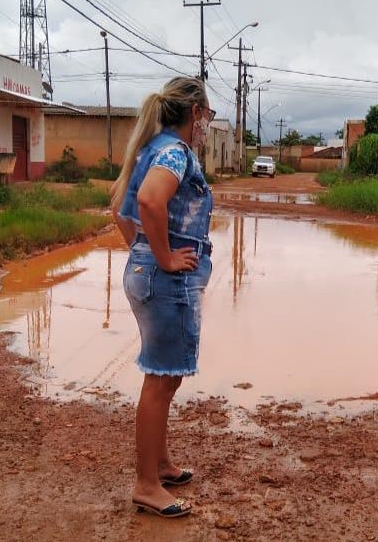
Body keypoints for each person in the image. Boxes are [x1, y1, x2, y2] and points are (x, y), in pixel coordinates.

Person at [111, 76, 216, 518]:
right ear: (194, 114)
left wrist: (143, 255)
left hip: (149, 273)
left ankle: (161, 464)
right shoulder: (174, 151)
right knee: (160, 379)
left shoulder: (152, 149)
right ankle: (147, 485)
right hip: (164, 279)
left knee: (167, 375)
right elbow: (151, 203)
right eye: (207, 116)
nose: (207, 125)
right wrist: (165, 259)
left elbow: (120, 210)